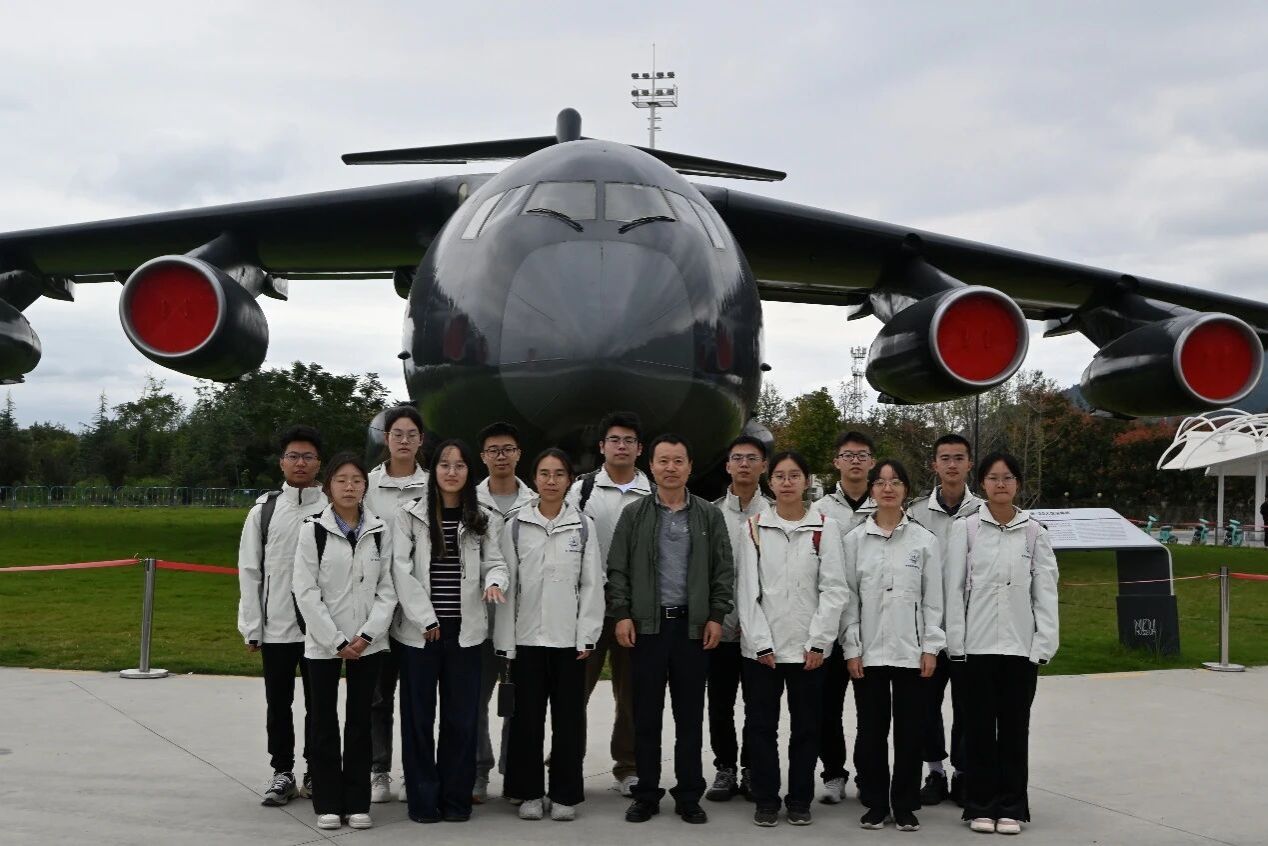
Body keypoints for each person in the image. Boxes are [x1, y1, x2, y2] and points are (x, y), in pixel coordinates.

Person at [607, 433, 734, 825]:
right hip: (647, 628)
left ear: (690, 466)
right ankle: (646, 794)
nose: (670, 468)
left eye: (678, 461)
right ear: (651, 466)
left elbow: (723, 570)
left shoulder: (709, 515)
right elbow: (618, 568)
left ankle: (689, 794)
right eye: (663, 460)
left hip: (692, 630)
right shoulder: (635, 514)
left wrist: (716, 616)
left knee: (689, 718)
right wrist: (622, 613)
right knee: (645, 717)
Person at [391, 439, 508, 824]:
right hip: (421, 632)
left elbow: (496, 562)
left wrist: (495, 582)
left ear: (469, 472)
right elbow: (400, 570)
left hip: (466, 632)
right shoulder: (410, 514)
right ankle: (423, 801)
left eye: (460, 465)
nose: (452, 472)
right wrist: (426, 619)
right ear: (434, 469)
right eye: (445, 464)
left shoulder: (483, 517)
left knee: (461, 720)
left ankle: (456, 800)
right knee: (418, 720)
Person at [944, 452, 1059, 836]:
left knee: (1014, 730)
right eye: (993, 478)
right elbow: (954, 590)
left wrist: (1042, 645)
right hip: (975, 649)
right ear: (982, 484)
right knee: (977, 731)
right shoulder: (966, 529)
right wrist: (956, 644)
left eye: (1007, 477)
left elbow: (1045, 593)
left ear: (1017, 484)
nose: (1000, 484)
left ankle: (1011, 806)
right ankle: (979, 805)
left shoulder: (1034, 532)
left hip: (1019, 650)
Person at [736, 450, 849, 827]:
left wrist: (819, 642)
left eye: (794, 475)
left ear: (806, 481)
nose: (787, 482)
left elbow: (834, 589)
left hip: (808, 652)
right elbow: (747, 591)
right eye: (780, 476)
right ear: (770, 482)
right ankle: (766, 799)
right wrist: (760, 643)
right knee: (760, 729)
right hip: (763, 653)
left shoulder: (824, 527)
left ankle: (800, 799)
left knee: (806, 729)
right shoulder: (753, 527)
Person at [494, 448, 605, 822]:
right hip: (526, 640)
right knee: (526, 721)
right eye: (544, 473)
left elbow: (591, 584)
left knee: (568, 721)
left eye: (559, 474)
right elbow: (508, 584)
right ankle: (527, 792)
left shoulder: (583, 525)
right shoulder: (516, 525)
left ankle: (564, 794)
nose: (551, 480)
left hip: (568, 642)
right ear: (535, 479)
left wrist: (587, 635)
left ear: (570, 480)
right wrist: (505, 641)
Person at [292, 453, 397, 831]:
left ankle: (357, 801)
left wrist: (366, 635)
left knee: (360, 722)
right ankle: (327, 802)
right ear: (328, 487)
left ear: (365, 486)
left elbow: (388, 589)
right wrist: (336, 641)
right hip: (324, 644)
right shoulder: (313, 530)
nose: (349, 487)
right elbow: (305, 591)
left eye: (356, 480)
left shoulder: (379, 530)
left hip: (369, 642)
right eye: (341, 480)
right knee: (323, 721)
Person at [842, 459, 943, 832]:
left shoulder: (924, 541)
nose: (888, 488)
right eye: (881, 482)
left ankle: (904, 803)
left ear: (906, 491)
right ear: (871, 490)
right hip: (868, 653)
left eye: (896, 482)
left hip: (911, 652)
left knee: (910, 731)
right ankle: (875, 802)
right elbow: (849, 600)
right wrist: (852, 648)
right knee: (871, 731)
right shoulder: (854, 541)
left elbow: (934, 601)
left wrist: (931, 646)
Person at [236, 424, 327, 807]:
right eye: (293, 456)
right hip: (276, 627)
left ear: (319, 463)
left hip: (321, 630)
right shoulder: (265, 511)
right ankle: (282, 771)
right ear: (282, 462)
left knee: (319, 705)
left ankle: (317, 770)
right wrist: (252, 627)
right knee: (279, 704)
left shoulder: (333, 508)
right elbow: (250, 570)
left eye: (307, 456)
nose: (300, 463)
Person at [567, 411, 654, 797]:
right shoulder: (582, 490)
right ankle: (566, 761)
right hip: (588, 606)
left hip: (634, 610)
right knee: (574, 691)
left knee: (631, 693)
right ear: (601, 446)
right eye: (614, 440)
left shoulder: (651, 493)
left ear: (639, 448)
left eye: (629, 441)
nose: (622, 446)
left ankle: (628, 767)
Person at [908, 433, 982, 807]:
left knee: (969, 706)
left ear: (969, 463)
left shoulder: (984, 512)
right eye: (945, 458)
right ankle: (935, 771)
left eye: (958, 458)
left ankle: (964, 773)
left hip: (971, 627)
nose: (952, 464)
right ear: (934, 465)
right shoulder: (916, 514)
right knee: (926, 704)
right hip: (929, 628)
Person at [364, 405, 430, 804]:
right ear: (386, 439)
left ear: (421, 440)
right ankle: (378, 769)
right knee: (378, 695)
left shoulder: (433, 485)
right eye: (397, 434)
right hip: (378, 605)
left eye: (411, 434)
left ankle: (415, 770)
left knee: (418, 696)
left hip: (419, 606)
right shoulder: (369, 485)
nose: (404, 440)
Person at [810, 429, 878, 804]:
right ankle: (834, 773)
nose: (855, 460)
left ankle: (869, 775)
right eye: (848, 454)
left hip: (873, 628)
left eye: (862, 454)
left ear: (871, 462)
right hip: (831, 628)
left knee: (871, 712)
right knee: (826, 708)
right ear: (836, 461)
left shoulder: (885, 505)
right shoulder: (821, 511)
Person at [705, 435, 771, 802]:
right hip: (722, 628)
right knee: (720, 704)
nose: (744, 464)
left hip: (761, 631)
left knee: (758, 706)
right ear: (727, 465)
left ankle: (752, 768)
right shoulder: (711, 513)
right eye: (737, 458)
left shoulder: (775, 513)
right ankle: (725, 767)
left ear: (764, 466)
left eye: (752, 458)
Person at [474, 421, 535, 803]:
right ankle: (478, 771)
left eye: (508, 449)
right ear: (483, 457)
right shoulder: (468, 501)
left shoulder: (536, 500)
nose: (501, 456)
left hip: (522, 621)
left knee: (519, 703)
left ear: (518, 454)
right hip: (479, 622)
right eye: (493, 450)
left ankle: (514, 773)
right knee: (475, 701)